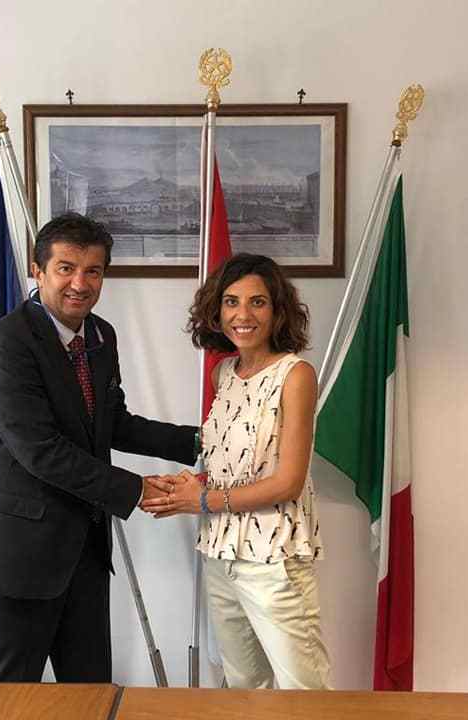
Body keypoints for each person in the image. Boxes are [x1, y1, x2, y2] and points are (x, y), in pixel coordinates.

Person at [0, 212, 198, 683]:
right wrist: (137, 490)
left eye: (93, 271)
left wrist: (201, 441)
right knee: (6, 698)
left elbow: (111, 423)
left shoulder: (101, 336)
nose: (80, 284)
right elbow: (40, 449)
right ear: (38, 270)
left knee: (89, 693)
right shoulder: (6, 343)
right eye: (66, 268)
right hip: (16, 554)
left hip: (83, 551)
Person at [142, 253, 331, 689]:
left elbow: (288, 482)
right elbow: (233, 463)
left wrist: (202, 500)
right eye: (231, 302)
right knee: (244, 689)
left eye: (257, 302)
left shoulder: (295, 375)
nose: (242, 314)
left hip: (275, 560)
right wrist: (190, 486)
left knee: (305, 695)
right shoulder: (223, 374)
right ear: (216, 310)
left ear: (278, 310)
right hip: (221, 555)